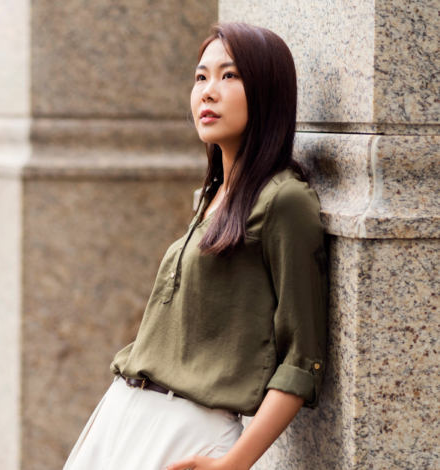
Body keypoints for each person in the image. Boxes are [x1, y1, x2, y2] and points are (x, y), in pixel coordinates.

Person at [62, 22, 329, 470]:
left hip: (188, 430)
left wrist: (233, 464)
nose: (208, 91)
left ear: (267, 92)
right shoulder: (212, 195)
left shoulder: (284, 200)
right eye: (201, 76)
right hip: (121, 413)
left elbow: (303, 359)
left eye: (229, 76)